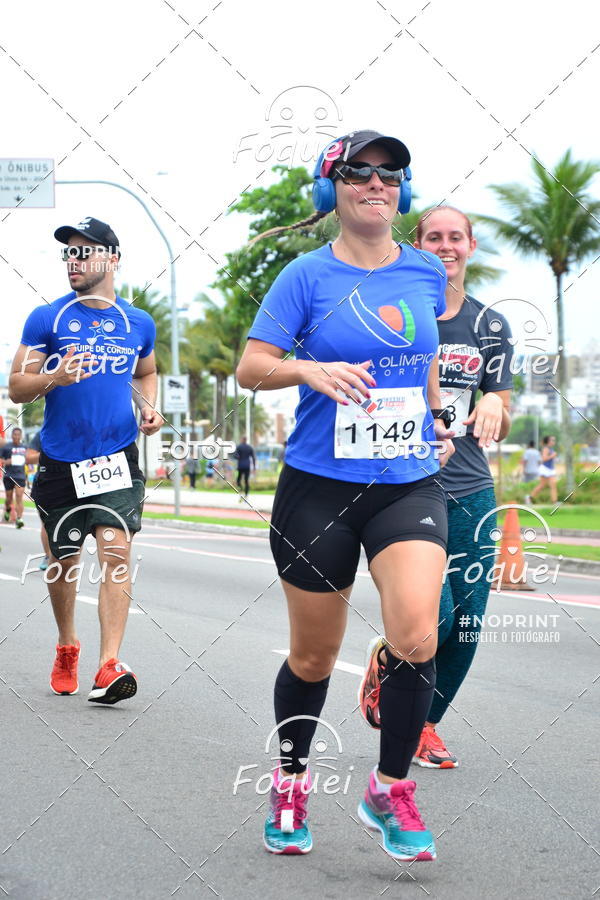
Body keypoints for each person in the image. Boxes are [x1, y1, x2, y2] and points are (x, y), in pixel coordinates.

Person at [237, 130, 455, 860]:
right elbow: (251, 366)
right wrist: (307, 372)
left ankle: (388, 789)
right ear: (332, 187)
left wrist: (438, 417)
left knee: (419, 633)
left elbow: (421, 363)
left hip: (406, 481)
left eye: (390, 173)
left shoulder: (426, 273)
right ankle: (292, 781)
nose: (376, 183)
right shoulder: (304, 276)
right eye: (358, 172)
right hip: (319, 488)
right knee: (313, 657)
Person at [359, 206, 513, 768]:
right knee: (436, 617)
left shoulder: (489, 325)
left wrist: (495, 401)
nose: (446, 246)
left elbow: (501, 400)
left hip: (471, 489)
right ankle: (388, 658)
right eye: (434, 237)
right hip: (410, 484)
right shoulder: (399, 312)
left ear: (470, 244)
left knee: (467, 623)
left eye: (456, 237)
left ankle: (424, 723)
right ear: (418, 244)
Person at [9, 216, 162, 703]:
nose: (73, 261)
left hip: (116, 456)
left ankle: (108, 664)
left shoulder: (138, 322)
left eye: (85, 251)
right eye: (68, 253)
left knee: (116, 552)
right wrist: (52, 376)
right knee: (63, 563)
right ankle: (67, 643)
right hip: (59, 458)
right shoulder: (46, 318)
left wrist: (149, 405)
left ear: (112, 259)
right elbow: (16, 388)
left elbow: (147, 370)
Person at [27, 430, 51, 570]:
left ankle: (66, 558)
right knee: (47, 523)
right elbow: (29, 457)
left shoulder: (77, 428)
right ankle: (48, 556)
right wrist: (49, 452)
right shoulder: (42, 433)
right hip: (45, 482)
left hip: (72, 483)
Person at [1, 426, 28, 528]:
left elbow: (28, 460)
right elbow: (1, 460)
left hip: (20, 476)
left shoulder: (25, 448)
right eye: (14, 434)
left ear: (21, 436)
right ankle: (7, 509)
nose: (16, 436)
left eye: (18, 434)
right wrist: (6, 462)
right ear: (12, 436)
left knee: (19, 496)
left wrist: (28, 465)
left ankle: (19, 518)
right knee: (8, 498)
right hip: (8, 476)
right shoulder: (6, 447)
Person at [528, 435, 558, 504]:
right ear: (548, 441)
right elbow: (544, 459)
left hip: (551, 469)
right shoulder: (546, 449)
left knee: (553, 485)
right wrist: (552, 456)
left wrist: (553, 457)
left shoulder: (551, 449)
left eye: (554, 440)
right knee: (542, 485)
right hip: (545, 469)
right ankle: (530, 498)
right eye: (552, 440)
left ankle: (554, 502)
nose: (554, 442)